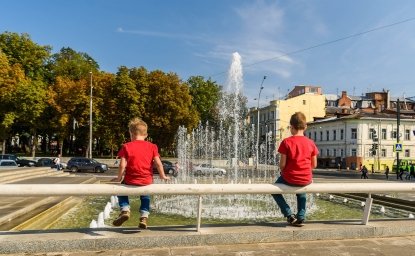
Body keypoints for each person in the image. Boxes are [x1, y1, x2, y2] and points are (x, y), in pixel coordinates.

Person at [111, 118, 170, 229]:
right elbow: (158, 163)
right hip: (146, 181)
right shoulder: (152, 147)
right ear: (146, 134)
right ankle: (144, 216)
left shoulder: (126, 146)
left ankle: (125, 210)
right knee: (145, 195)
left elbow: (122, 165)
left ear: (131, 133)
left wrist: (119, 177)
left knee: (121, 190)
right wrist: (162, 176)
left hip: (130, 180)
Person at [271, 112, 318, 227]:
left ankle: (289, 214)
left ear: (291, 127)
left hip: (290, 177)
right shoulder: (311, 143)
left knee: (273, 191)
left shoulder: (286, 142)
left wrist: (283, 171)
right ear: (305, 126)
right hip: (306, 178)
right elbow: (314, 164)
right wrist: (304, 171)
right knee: (301, 192)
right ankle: (301, 216)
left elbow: (282, 164)